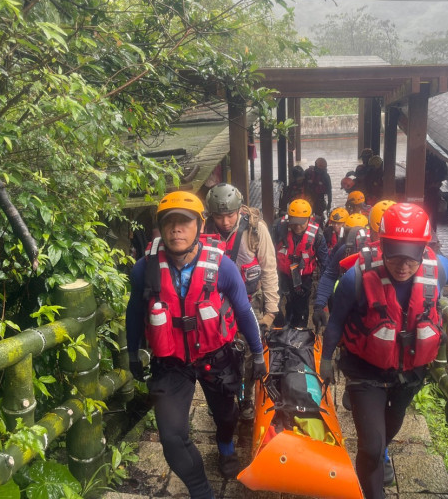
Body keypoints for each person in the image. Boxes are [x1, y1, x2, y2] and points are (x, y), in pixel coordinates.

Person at [318, 203, 448, 499]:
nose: (403, 266)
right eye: (395, 256)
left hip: (408, 375)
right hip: (365, 371)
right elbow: (335, 321)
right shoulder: (356, 278)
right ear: (381, 244)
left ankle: (379, 452)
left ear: (423, 250)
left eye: (411, 258)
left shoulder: (434, 269)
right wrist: (325, 358)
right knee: (371, 447)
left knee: (388, 430)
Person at [125, 191, 267, 497]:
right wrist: (133, 353)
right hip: (171, 361)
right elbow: (134, 311)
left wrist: (257, 353)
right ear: (161, 229)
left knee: (226, 415)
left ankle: (226, 445)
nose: (176, 229)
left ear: (199, 227)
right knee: (172, 437)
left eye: (184, 222)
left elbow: (243, 309)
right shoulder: (144, 269)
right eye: (169, 223)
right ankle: (202, 490)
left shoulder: (223, 267)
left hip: (215, 355)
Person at [204, 183, 279, 419]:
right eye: (219, 216)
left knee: (248, 351)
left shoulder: (256, 231)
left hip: (250, 299)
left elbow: (269, 269)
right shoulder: (203, 229)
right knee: (218, 351)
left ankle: (245, 399)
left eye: (230, 215)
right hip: (217, 301)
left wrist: (271, 310)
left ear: (239, 210)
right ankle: (222, 395)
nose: (225, 222)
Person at [273, 198, 329, 328]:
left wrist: (321, 297)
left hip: (303, 278)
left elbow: (325, 264)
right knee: (274, 308)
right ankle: (280, 329)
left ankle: (298, 330)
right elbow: (267, 253)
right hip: (281, 275)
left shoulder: (318, 236)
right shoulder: (278, 228)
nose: (297, 227)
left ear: (309, 219)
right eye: (294, 223)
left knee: (300, 311)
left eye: (301, 223)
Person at [312, 212, 370, 331]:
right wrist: (319, 306)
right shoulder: (343, 249)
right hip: (342, 298)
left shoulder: (380, 256)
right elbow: (330, 273)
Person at [305, 157, 333, 224]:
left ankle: (320, 228)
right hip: (308, 199)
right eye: (320, 167)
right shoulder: (308, 173)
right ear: (315, 164)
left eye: (322, 168)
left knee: (319, 219)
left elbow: (329, 191)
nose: (321, 170)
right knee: (307, 217)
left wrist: (329, 204)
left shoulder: (326, 176)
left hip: (319, 200)